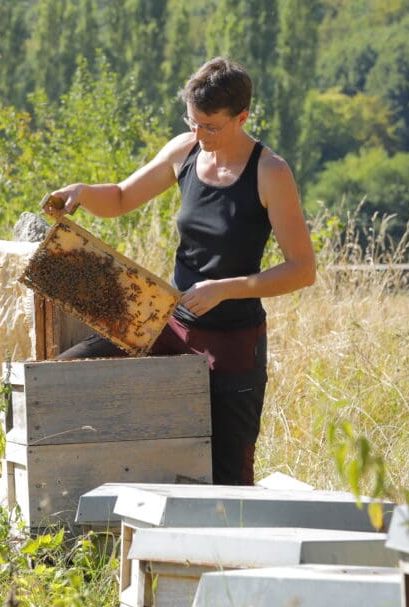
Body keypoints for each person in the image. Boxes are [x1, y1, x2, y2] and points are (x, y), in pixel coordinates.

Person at [44, 57, 316, 485]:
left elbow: (302, 270)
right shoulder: (184, 150)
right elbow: (118, 198)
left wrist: (224, 289)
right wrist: (81, 192)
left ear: (242, 117)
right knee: (66, 374)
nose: (199, 134)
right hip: (169, 324)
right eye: (193, 122)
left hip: (235, 343)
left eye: (211, 127)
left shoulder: (270, 172)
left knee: (230, 476)